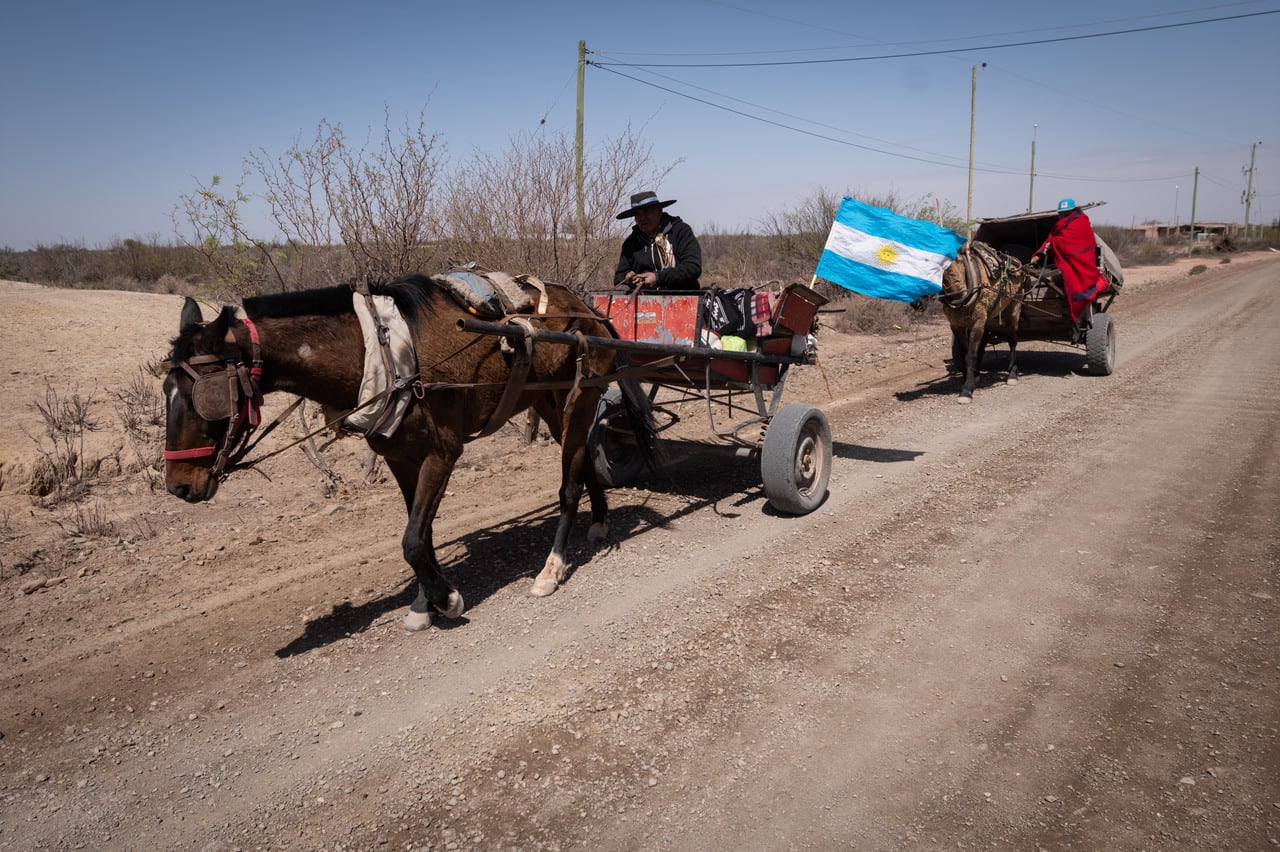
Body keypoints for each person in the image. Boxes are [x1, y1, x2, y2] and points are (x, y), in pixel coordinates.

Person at [1028, 198, 1107, 324]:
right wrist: (1039, 254)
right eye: (1061, 213)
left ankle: (1080, 316)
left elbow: (1066, 244)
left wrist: (1053, 244)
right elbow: (1051, 239)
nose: (1062, 216)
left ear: (1072, 212)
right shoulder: (1058, 226)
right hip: (1061, 263)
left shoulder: (1081, 224)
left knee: (1072, 282)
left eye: (1066, 213)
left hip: (1080, 265)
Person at [613, 191, 702, 292]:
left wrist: (658, 277)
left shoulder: (680, 231)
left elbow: (692, 267)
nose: (642, 218)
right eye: (638, 214)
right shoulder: (631, 243)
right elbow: (618, 277)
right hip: (644, 302)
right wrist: (628, 277)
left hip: (684, 298)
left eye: (647, 211)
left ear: (660, 211)